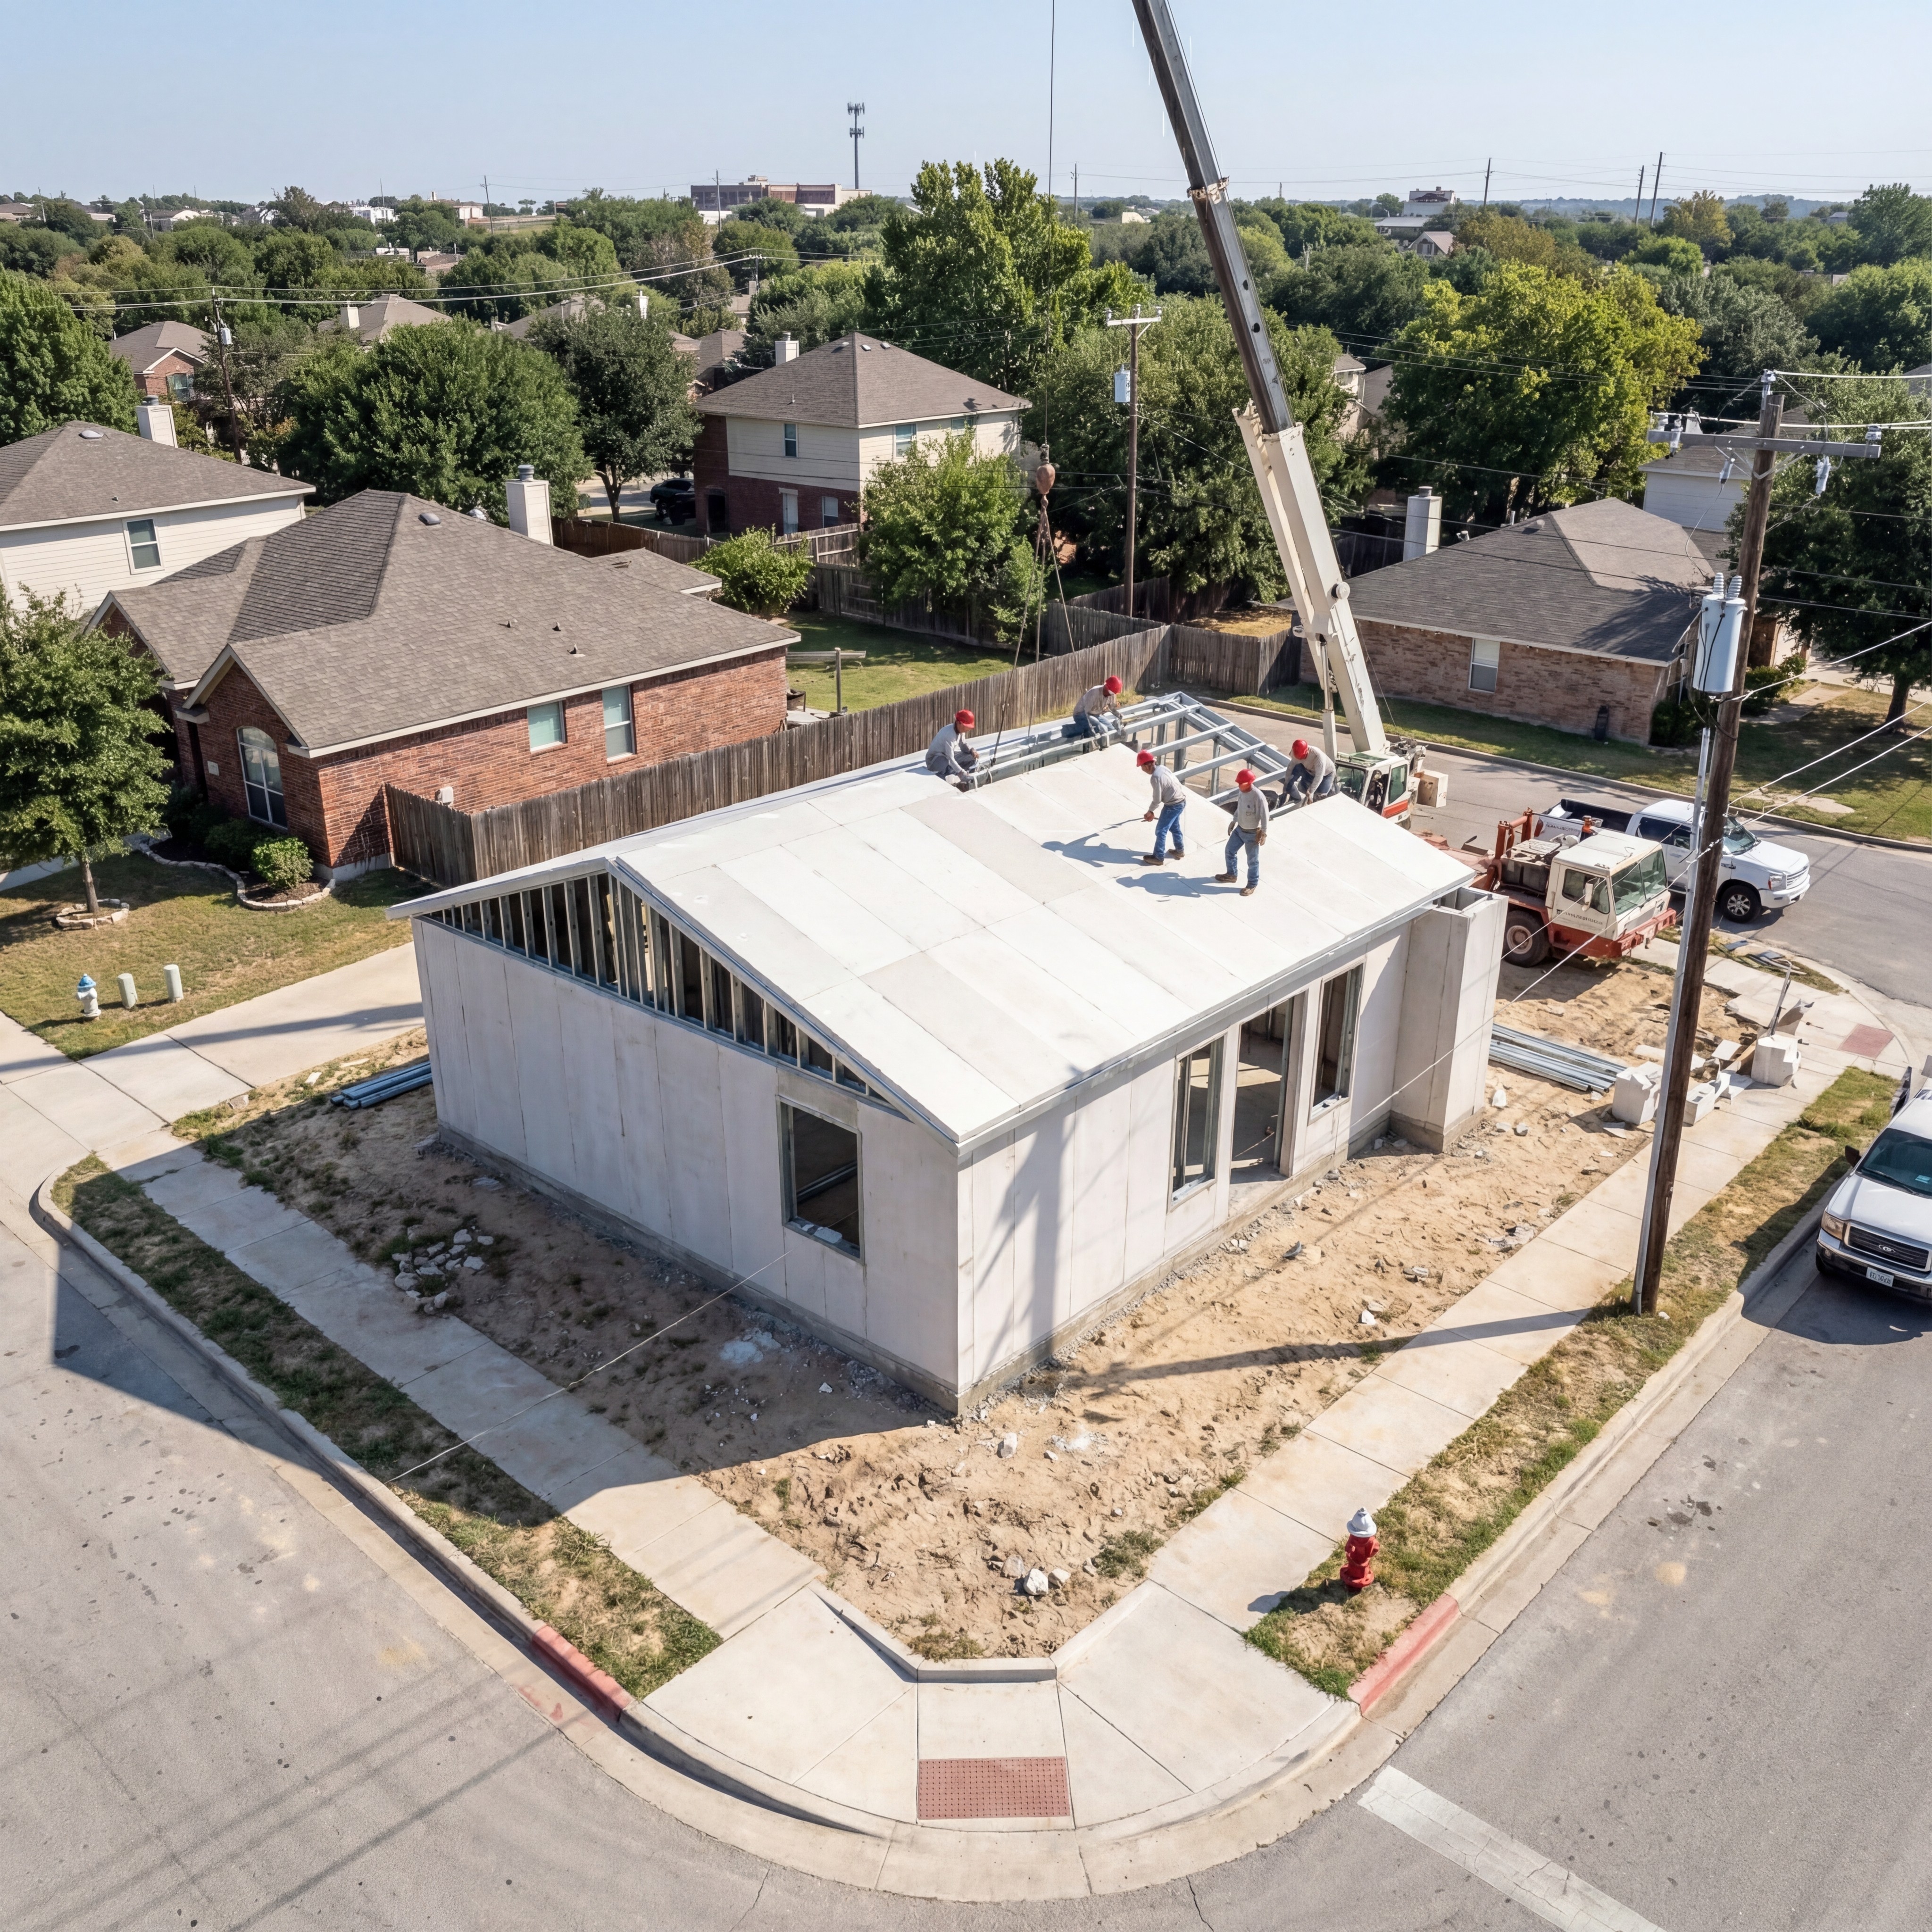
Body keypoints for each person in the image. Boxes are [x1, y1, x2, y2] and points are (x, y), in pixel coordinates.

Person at [1215, 767, 1268, 895]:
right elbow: (1240, 807)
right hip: (1240, 829)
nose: (1239, 786)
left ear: (1249, 783)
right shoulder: (1242, 792)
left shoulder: (1258, 797)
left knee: (1253, 861)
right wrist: (1234, 821)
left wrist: (1264, 833)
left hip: (1252, 834)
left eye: (1242, 784)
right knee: (1230, 851)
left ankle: (1252, 884)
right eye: (1239, 784)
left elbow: (1265, 815)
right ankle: (1232, 875)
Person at [1136, 749, 1188, 865]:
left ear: (1147, 765)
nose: (1142, 770)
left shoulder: (1155, 777)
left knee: (1161, 831)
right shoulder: (1163, 768)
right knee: (1174, 828)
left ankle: (1159, 857)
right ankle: (1180, 851)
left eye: (1142, 767)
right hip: (1181, 801)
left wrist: (1150, 811)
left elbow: (1157, 799)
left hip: (1173, 805)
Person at [926, 709, 979, 788]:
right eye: (966, 726)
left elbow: (963, 744)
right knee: (949, 763)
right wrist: (962, 773)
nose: (968, 730)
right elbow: (950, 758)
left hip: (947, 757)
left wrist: (972, 751)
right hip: (935, 761)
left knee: (972, 757)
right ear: (959, 723)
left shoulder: (961, 731)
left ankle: (957, 775)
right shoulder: (950, 734)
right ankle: (942, 777)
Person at [1064, 674, 1124, 741]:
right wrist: (1091, 729)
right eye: (1113, 692)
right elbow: (1085, 713)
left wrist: (1118, 715)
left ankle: (1112, 740)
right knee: (1102, 728)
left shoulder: (1112, 694)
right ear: (1107, 687)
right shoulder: (1094, 693)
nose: (1113, 694)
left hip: (1095, 714)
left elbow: (1111, 706)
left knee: (1111, 728)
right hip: (1081, 714)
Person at [1285, 737, 1335, 805]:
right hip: (1309, 770)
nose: (1300, 760)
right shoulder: (1296, 752)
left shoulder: (1318, 756)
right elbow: (1290, 767)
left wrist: (1311, 792)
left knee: (1319, 797)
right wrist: (1287, 783)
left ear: (1307, 751)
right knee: (1302, 787)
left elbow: (1319, 776)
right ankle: (1293, 800)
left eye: (1302, 758)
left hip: (1326, 775)